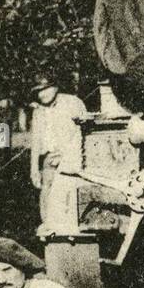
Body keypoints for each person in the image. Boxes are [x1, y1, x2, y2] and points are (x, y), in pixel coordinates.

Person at [29, 74, 90, 232]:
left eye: (45, 89)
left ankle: (73, 229)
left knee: (70, 193)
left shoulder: (72, 103)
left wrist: (66, 156)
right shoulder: (38, 111)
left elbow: (82, 133)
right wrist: (34, 169)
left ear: (55, 87)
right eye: (38, 91)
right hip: (49, 157)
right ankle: (49, 229)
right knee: (46, 193)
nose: (42, 94)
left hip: (73, 157)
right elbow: (35, 141)